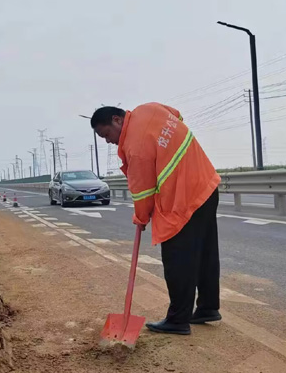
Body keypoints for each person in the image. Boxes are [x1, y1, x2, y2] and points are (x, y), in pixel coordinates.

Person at [90, 104, 221, 335]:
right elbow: (178, 115)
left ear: (117, 120)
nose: (108, 141)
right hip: (206, 184)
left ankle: (178, 320)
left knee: (177, 260)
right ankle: (208, 308)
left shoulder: (135, 148)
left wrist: (140, 218)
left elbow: (143, 193)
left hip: (183, 199)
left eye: (106, 134)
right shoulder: (149, 109)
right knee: (206, 253)